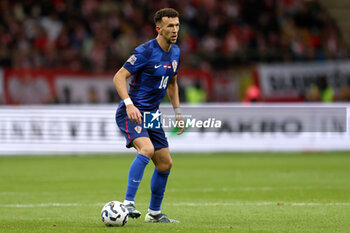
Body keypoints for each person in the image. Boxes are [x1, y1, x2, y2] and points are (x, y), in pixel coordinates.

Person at [113, 8, 184, 223]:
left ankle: (153, 214)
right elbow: (119, 77)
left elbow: (172, 83)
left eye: (177, 25)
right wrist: (129, 104)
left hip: (152, 114)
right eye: (170, 26)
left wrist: (178, 112)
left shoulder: (176, 52)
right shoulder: (145, 51)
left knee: (165, 164)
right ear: (158, 28)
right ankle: (128, 203)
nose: (174, 30)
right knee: (147, 148)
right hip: (132, 113)